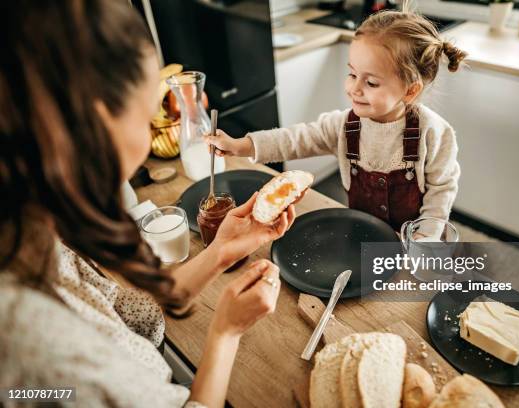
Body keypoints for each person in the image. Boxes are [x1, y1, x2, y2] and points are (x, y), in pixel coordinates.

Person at [0, 1, 295, 407]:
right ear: (96, 128)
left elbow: (128, 314)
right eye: (145, 116)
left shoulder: (28, 233)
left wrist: (221, 251)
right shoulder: (42, 347)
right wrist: (226, 331)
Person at [206, 4, 467, 233]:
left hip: (413, 243)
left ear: (411, 91)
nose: (354, 89)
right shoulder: (344, 126)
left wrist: (425, 237)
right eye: (352, 74)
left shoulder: (434, 133)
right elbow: (294, 139)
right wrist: (241, 145)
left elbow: (441, 190)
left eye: (371, 82)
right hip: (362, 233)